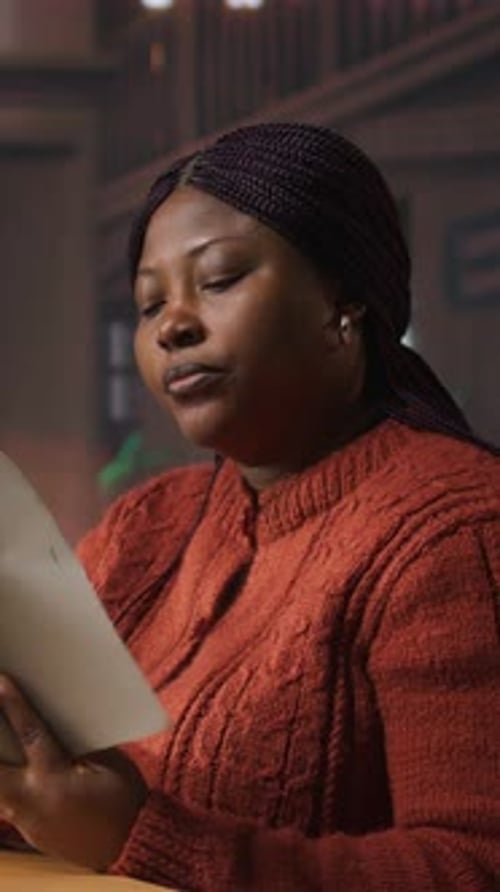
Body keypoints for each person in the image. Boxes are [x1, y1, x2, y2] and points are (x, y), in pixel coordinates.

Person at [0, 122, 499, 891]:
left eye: (221, 278)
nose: (173, 325)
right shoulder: (146, 527)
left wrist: (144, 838)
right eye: (148, 302)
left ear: (346, 303)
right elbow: (54, 799)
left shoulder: (452, 533)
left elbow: (474, 867)